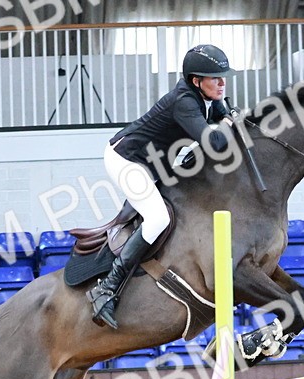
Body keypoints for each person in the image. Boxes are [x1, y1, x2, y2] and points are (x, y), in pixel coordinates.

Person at [88, 44, 234, 329]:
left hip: (153, 162)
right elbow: (215, 143)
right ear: (196, 81)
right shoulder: (185, 102)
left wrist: (227, 116)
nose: (222, 82)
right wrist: (229, 122)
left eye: (222, 76)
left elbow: (222, 110)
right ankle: (106, 287)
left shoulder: (204, 95)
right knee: (158, 218)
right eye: (215, 77)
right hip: (127, 160)